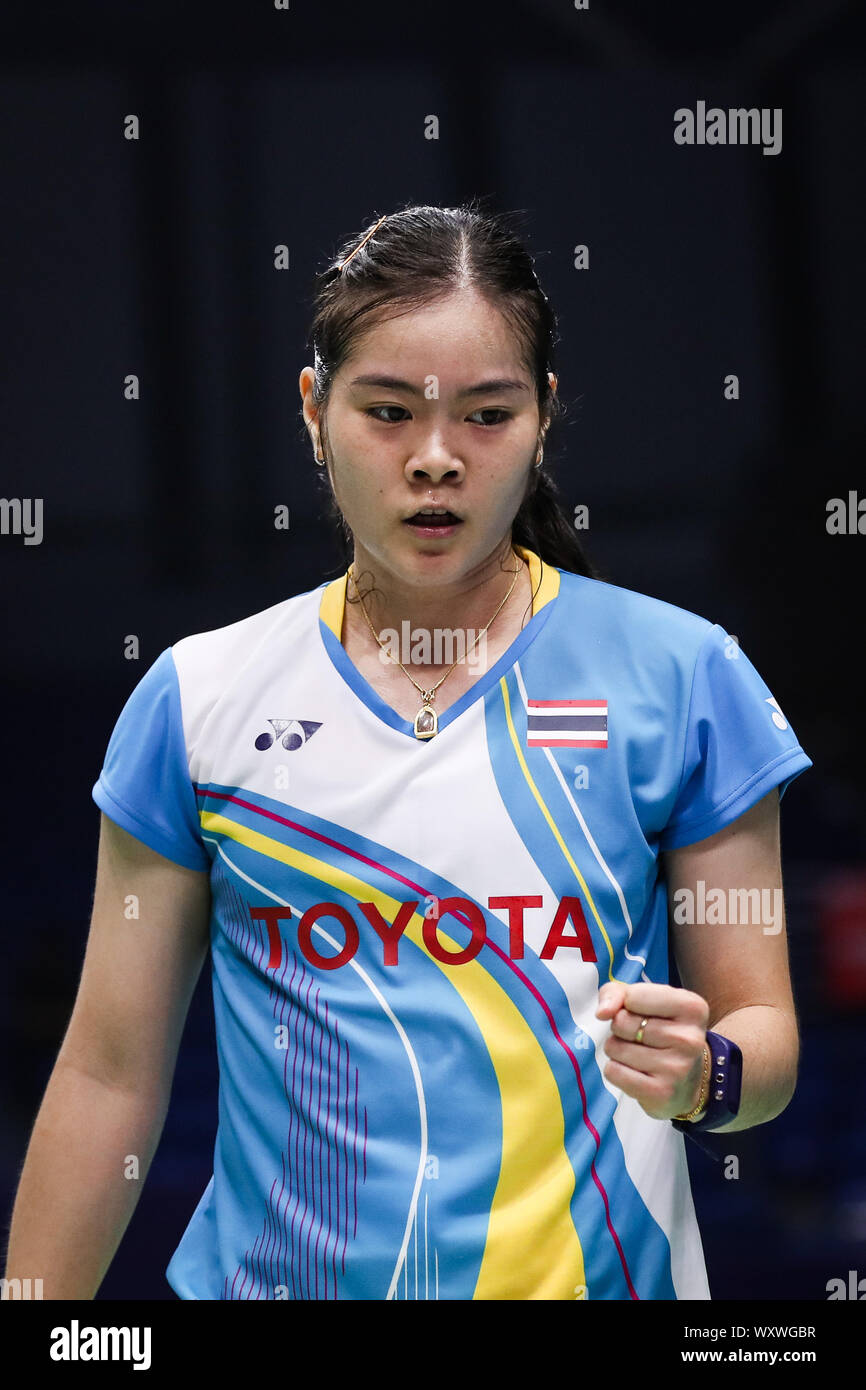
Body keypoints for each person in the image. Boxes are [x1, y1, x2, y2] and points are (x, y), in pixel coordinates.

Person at [4, 202, 812, 1300]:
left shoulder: (682, 675)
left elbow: (760, 1039)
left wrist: (707, 1073)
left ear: (542, 419)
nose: (434, 459)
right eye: (386, 411)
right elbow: (107, 1074)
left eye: (486, 414)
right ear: (313, 409)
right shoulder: (197, 698)